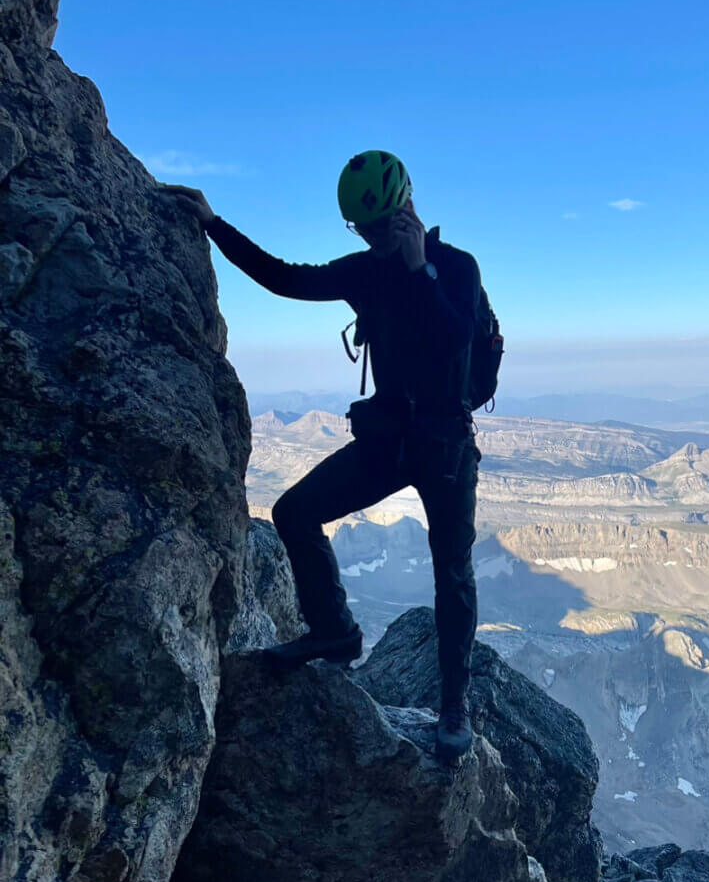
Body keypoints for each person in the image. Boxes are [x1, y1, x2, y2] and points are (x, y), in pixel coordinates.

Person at [171, 151, 483, 762]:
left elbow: (455, 341)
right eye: (363, 231)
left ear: (406, 209)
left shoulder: (455, 268)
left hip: (445, 447)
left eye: (376, 227)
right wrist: (214, 224)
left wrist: (421, 271)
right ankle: (335, 632)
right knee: (294, 512)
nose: (371, 239)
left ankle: (454, 703)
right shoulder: (363, 273)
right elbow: (289, 279)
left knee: (453, 572)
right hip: (390, 441)